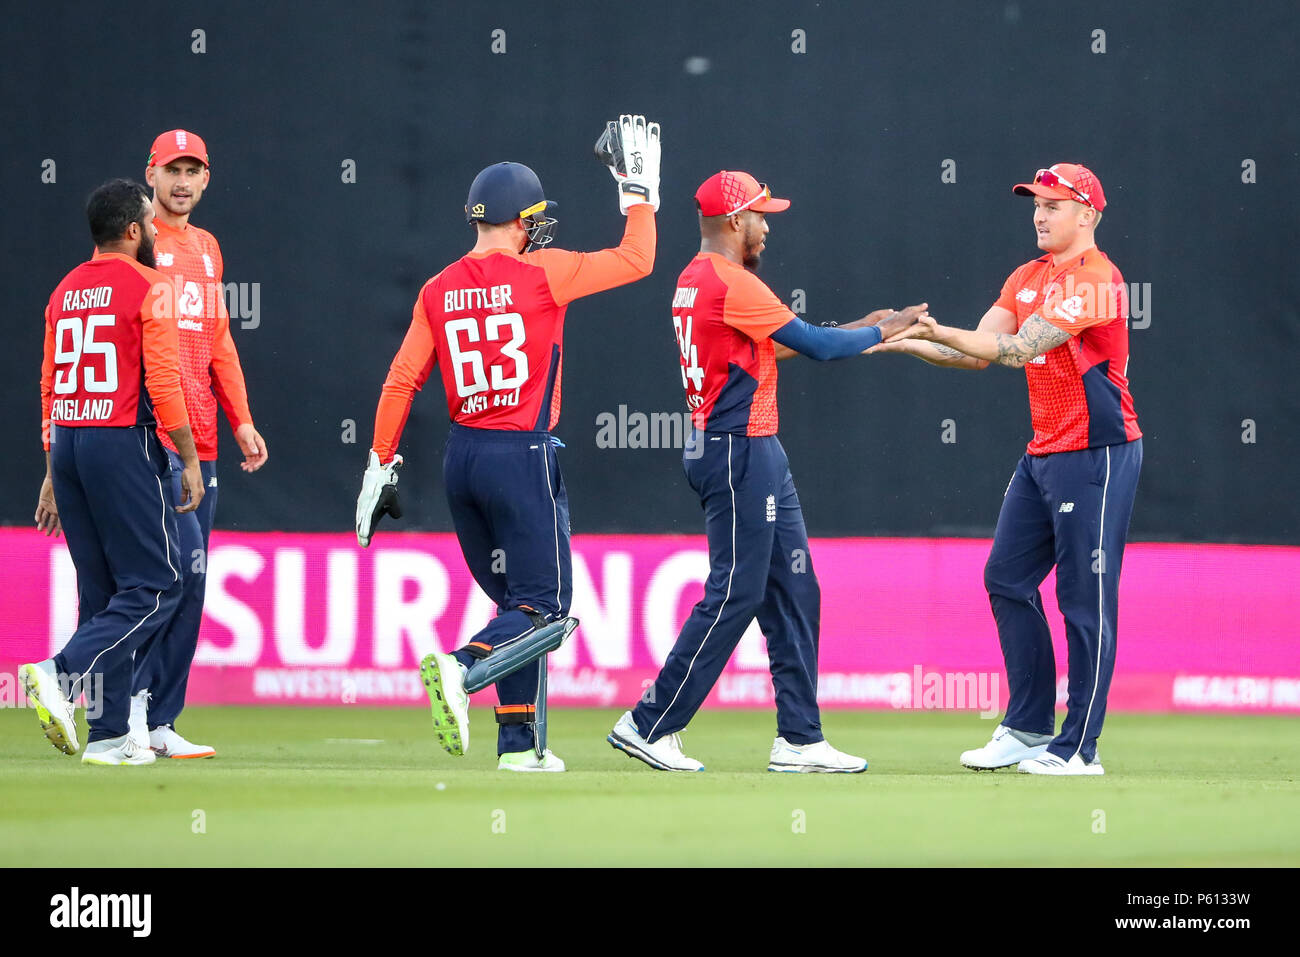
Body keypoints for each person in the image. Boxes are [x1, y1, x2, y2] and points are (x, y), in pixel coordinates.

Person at [355, 115, 660, 772]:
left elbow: (402, 378)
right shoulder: (544, 271)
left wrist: (380, 462)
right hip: (521, 454)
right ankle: (462, 666)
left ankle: (521, 746)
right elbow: (640, 259)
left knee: (515, 604)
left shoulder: (437, 287)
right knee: (546, 607)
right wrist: (637, 193)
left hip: (461, 459)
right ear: (522, 220)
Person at [607, 170, 925, 772]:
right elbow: (818, 348)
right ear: (734, 222)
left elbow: (770, 345)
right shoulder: (731, 281)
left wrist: (858, 330)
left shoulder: (696, 278)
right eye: (759, 214)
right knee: (738, 590)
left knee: (795, 589)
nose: (767, 225)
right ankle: (648, 723)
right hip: (736, 449)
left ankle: (800, 739)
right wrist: (884, 329)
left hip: (751, 448)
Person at [872, 163, 1141, 775]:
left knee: (1083, 598)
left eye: (1053, 204)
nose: (1039, 214)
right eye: (1036, 205)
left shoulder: (1098, 281)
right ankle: (1026, 728)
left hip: (1096, 454)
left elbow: (1018, 350)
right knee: (1007, 579)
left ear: (1088, 215)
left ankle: (1079, 749)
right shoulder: (1027, 276)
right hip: (1044, 452)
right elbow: (969, 353)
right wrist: (904, 341)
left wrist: (940, 329)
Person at [24, 178, 203, 766]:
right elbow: (163, 383)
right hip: (120, 442)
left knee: (102, 595)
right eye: (149, 223)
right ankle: (60, 672)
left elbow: (51, 387)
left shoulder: (64, 289)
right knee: (156, 586)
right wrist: (189, 457)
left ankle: (107, 738)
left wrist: (53, 468)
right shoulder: (150, 285)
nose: (155, 230)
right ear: (134, 231)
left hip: (71, 442)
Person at [125, 129, 269, 760]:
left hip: (203, 438)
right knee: (165, 573)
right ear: (149, 175)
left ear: (206, 179)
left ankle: (161, 720)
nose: (183, 182)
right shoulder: (133, 241)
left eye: (194, 170)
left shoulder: (208, 248)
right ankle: (123, 709)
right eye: (172, 170)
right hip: (149, 434)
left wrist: (240, 417)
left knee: (195, 576)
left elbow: (217, 340)